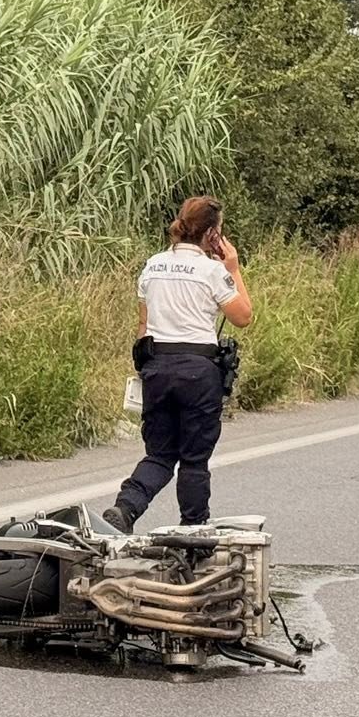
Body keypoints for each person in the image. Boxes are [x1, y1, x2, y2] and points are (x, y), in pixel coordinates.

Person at [104, 196, 254, 532]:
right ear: (213, 235)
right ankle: (193, 527)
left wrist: (145, 372)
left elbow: (143, 328)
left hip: (157, 366)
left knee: (159, 454)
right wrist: (233, 268)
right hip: (199, 373)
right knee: (194, 459)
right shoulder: (213, 270)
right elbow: (243, 316)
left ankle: (125, 509)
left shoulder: (152, 265)